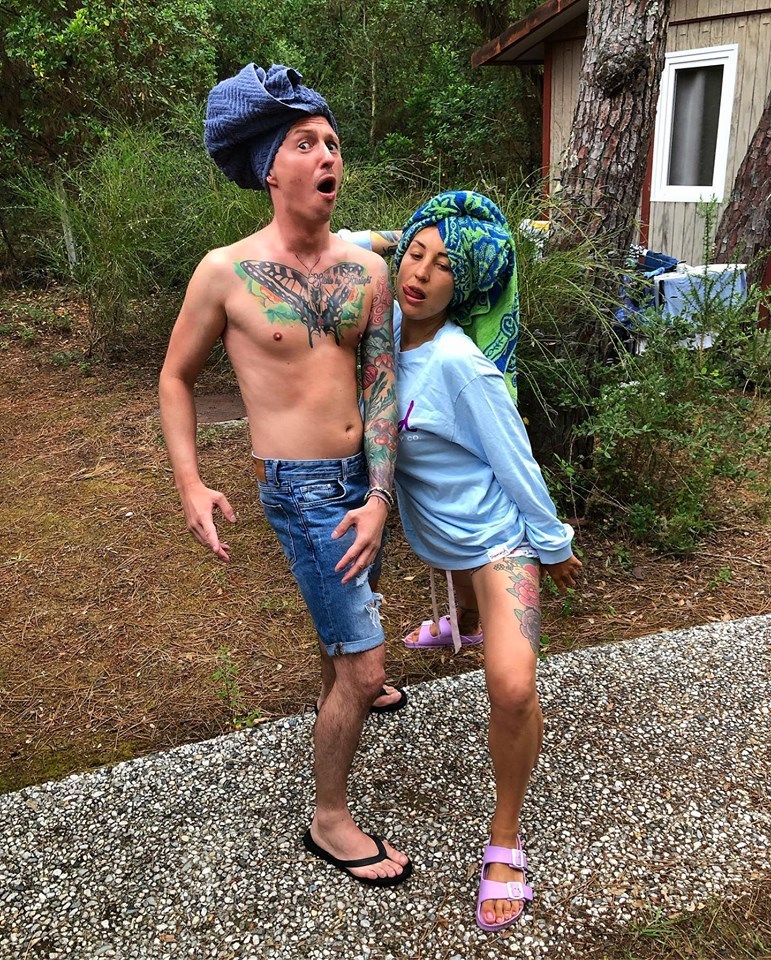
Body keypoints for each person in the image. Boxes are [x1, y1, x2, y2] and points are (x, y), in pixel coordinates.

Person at [158, 63, 411, 886]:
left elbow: (381, 388)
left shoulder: (368, 272)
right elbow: (175, 378)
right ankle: (329, 820)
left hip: (364, 479)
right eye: (305, 143)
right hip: (300, 489)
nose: (327, 154)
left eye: (332, 142)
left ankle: (344, 675)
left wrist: (381, 495)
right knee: (365, 668)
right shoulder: (224, 272)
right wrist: (191, 483)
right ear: (270, 168)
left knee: (346, 635)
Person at [390, 191, 582, 930]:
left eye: (444, 266)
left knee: (511, 687)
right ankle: (462, 621)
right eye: (415, 253)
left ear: (463, 287)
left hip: (497, 540)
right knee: (464, 594)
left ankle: (505, 839)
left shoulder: (459, 366)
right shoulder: (379, 336)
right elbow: (333, 249)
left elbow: (515, 459)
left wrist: (553, 544)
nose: (421, 273)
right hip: (442, 541)